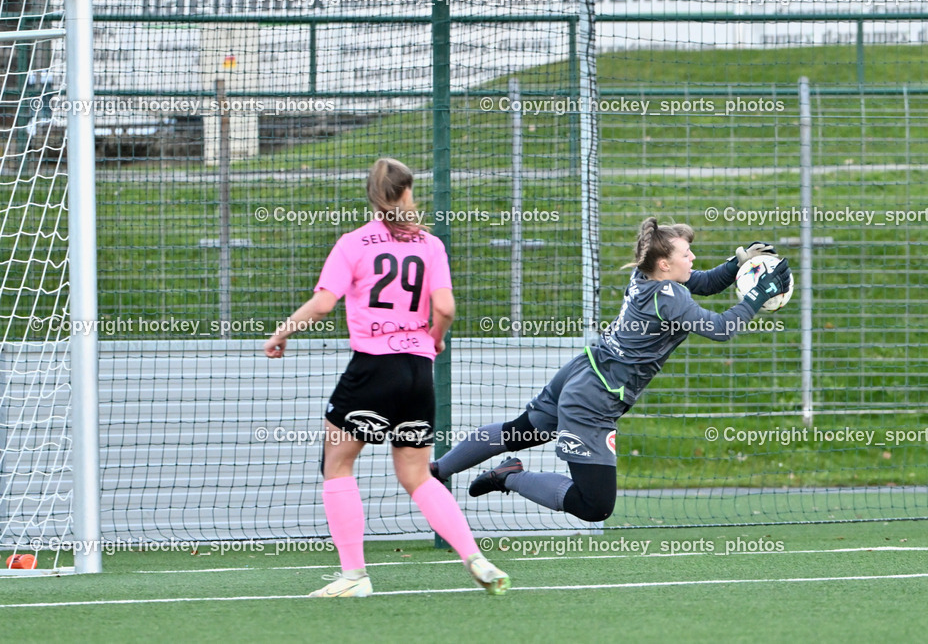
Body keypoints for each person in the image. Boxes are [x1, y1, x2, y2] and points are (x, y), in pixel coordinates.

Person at [430, 217, 790, 523]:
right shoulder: (669, 296)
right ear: (664, 263)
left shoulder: (646, 278)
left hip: (581, 371)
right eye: (686, 253)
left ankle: (437, 471)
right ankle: (511, 478)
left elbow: (706, 283)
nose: (692, 257)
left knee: (520, 432)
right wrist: (757, 295)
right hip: (595, 397)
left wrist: (738, 262)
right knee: (595, 505)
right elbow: (721, 329)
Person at [264, 158, 509, 597]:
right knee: (417, 476)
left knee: (337, 464)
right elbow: (446, 309)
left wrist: (282, 332)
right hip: (418, 372)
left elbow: (323, 305)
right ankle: (475, 557)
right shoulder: (430, 245)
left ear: (373, 197)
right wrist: (434, 339)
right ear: (409, 191)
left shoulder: (354, 243)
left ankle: (354, 576)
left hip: (373, 367)